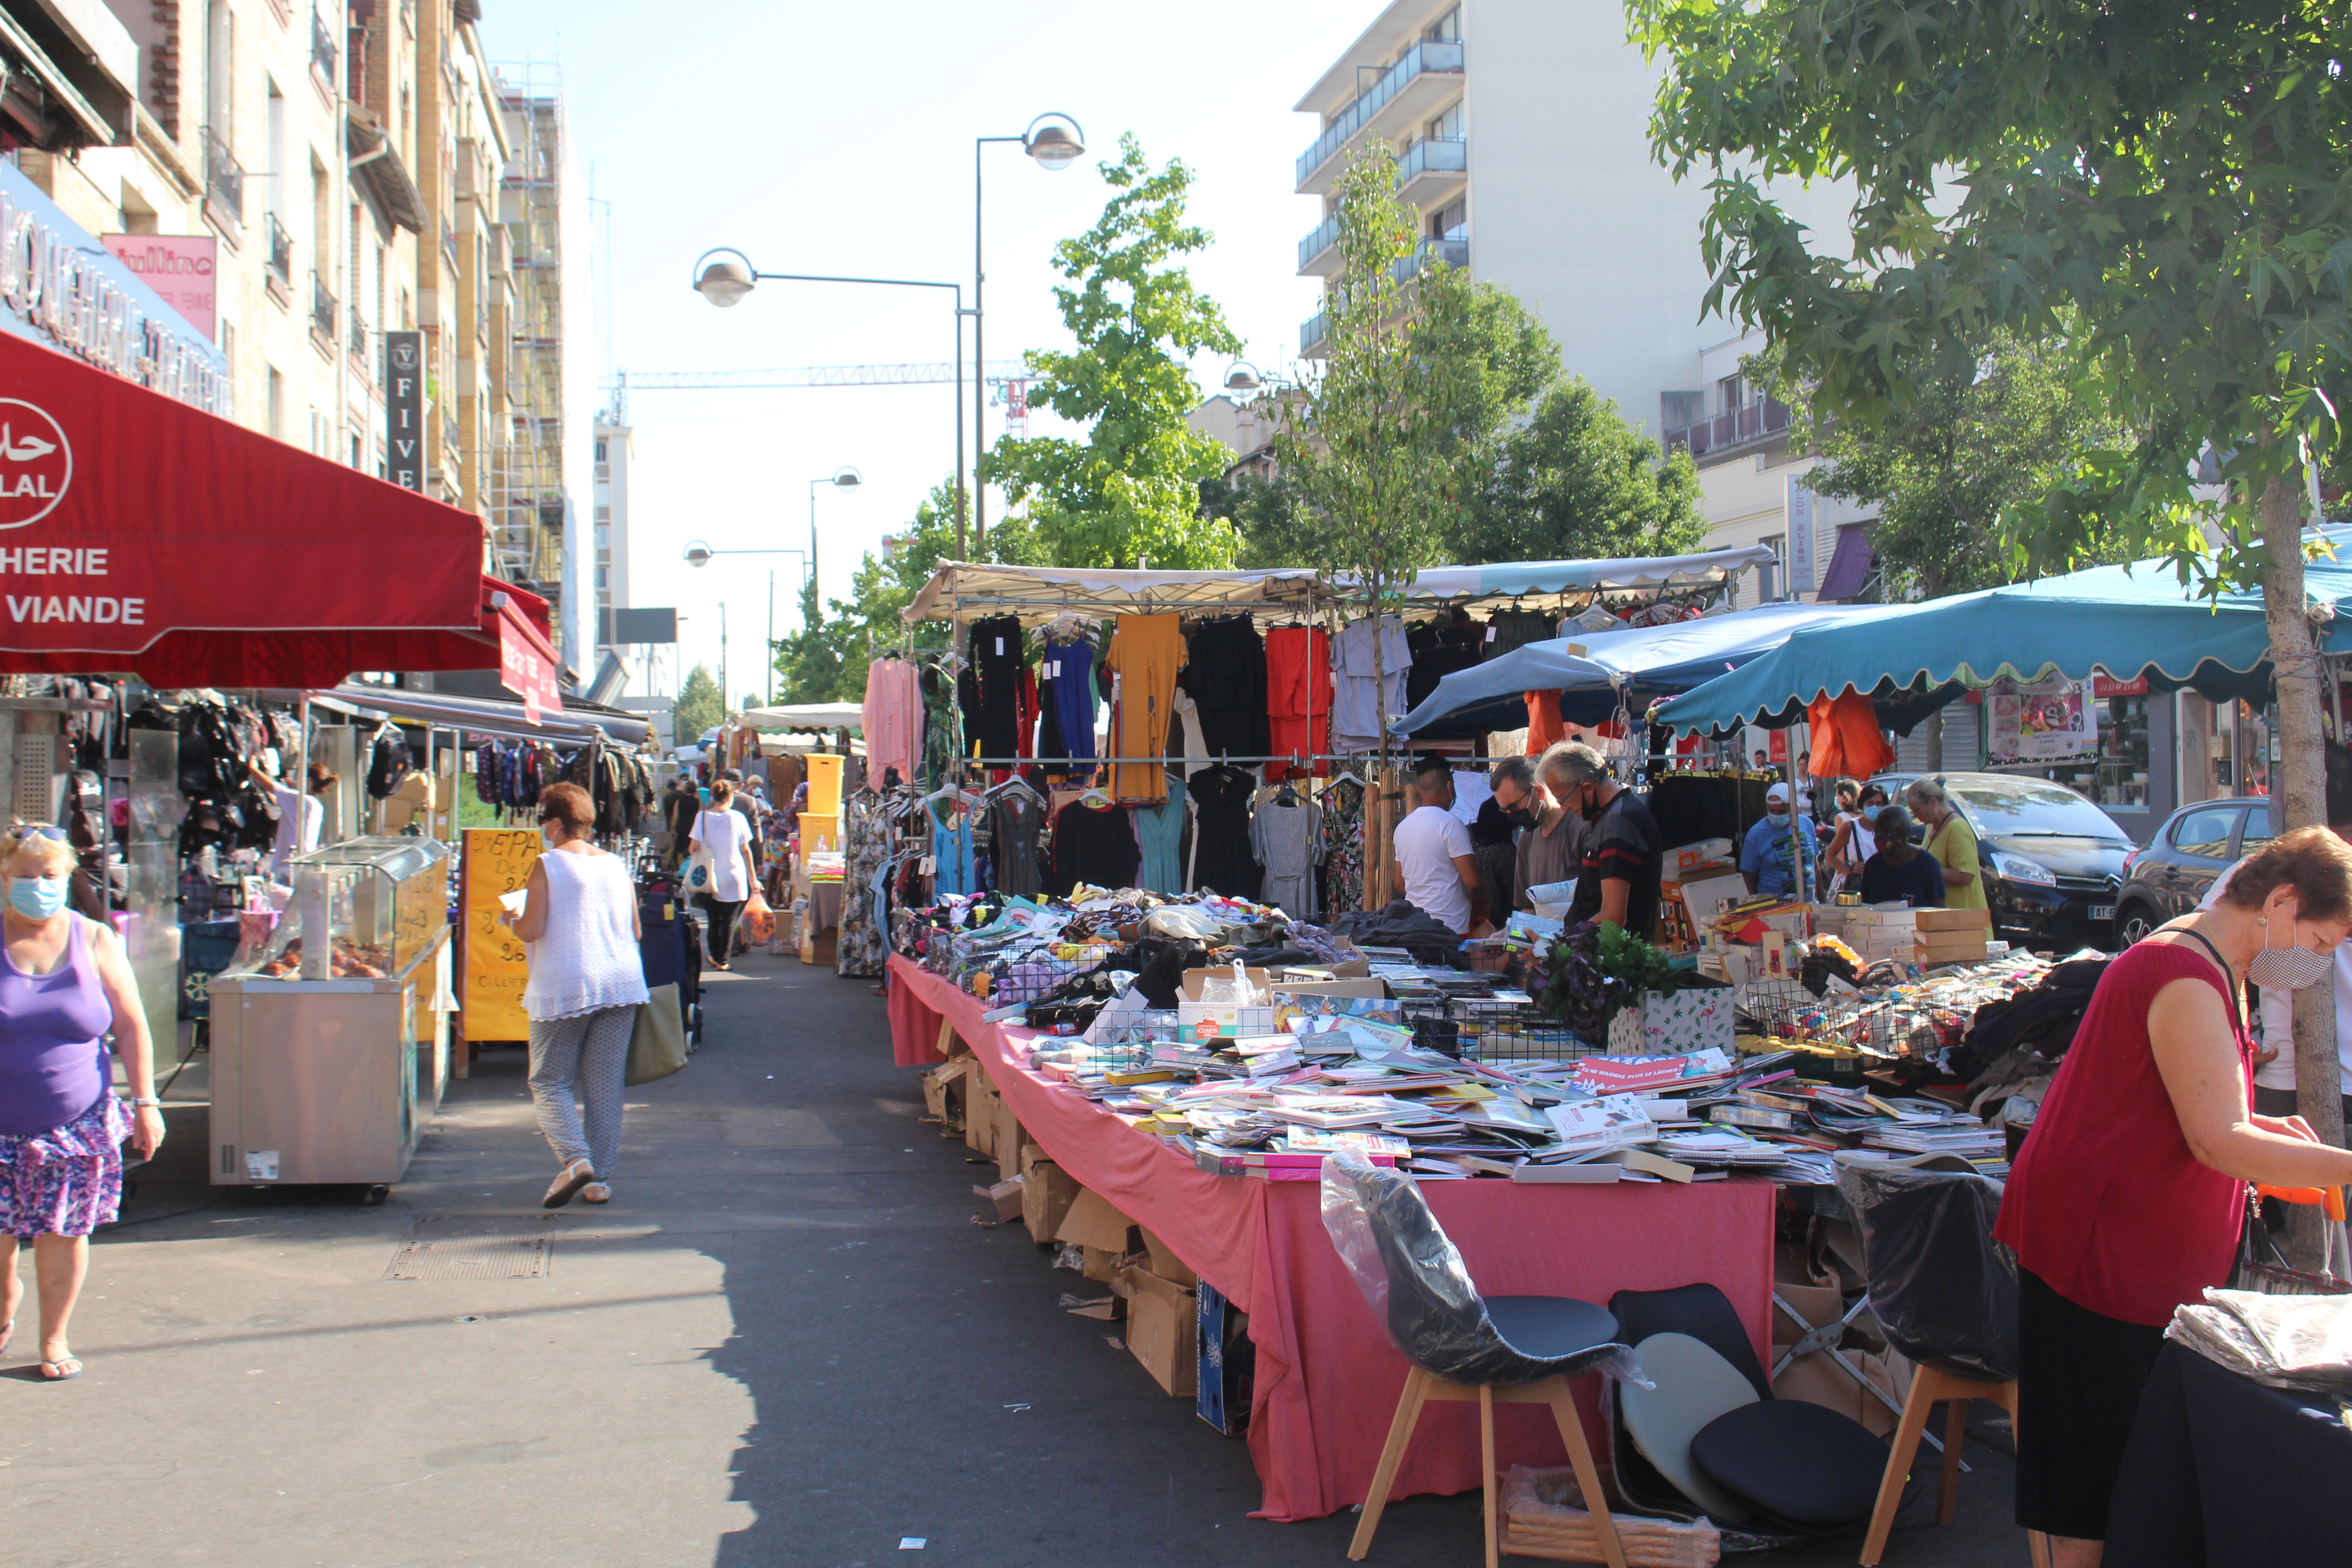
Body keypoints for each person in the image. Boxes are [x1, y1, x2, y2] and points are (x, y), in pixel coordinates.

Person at [1995, 827, 2352, 1566]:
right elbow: (2213, 1138)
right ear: (2280, 902)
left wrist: (2275, 1139)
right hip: (2100, 1257)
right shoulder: (2184, 973)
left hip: (2129, 1253)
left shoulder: (2213, 959)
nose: (2317, 961)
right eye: (2320, 941)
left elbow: (2182, 1101)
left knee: (2118, 1475)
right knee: (2093, 1484)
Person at [0, 824, 164, 1381]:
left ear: (69, 877)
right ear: (4, 878)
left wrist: (147, 1102)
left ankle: (53, 1337)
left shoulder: (94, 938)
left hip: (75, 1124)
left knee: (65, 1234)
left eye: (49, 876)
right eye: (25, 876)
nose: (37, 886)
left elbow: (132, 1024)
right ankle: (3, 1310)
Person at [506, 783, 648, 1210]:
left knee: (549, 1080)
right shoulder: (615, 865)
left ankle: (575, 1159)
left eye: (544, 823)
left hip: (566, 983)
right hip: (622, 981)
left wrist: (511, 917)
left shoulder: (548, 864)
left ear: (555, 823)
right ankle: (599, 1180)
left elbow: (530, 929)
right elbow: (637, 930)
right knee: (605, 1085)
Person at [1548, 742, 1664, 936]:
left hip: (1611, 960)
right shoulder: (1613, 816)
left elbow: (1613, 918)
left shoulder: (1617, 823)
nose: (1563, 808)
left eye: (1562, 799)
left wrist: (1558, 943)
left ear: (1587, 787)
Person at [1391, 759, 1490, 937]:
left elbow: (1399, 883)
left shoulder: (1403, 828)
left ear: (1420, 790)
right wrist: (1483, 906)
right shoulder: (1451, 825)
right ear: (1450, 786)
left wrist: (1426, 900)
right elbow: (1474, 884)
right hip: (1451, 928)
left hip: (1415, 924)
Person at [1493, 752, 1584, 909]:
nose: (1511, 815)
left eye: (1514, 807)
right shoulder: (1527, 838)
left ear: (1539, 792)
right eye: (1505, 810)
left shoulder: (1581, 829)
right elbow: (1528, 908)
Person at [689, 779, 758, 970]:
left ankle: (714, 955)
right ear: (730, 797)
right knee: (728, 920)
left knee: (713, 919)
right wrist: (753, 879)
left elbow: (693, 848)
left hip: (709, 877)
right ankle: (723, 960)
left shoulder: (702, 817)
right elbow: (746, 850)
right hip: (734, 874)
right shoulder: (738, 818)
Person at [1906, 777, 1986, 911]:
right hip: (1943, 914)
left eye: (1917, 810)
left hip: (1964, 916)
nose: (1915, 815)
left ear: (1933, 802)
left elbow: (1966, 876)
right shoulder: (1931, 827)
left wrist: (1924, 870)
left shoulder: (1957, 828)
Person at [247, 754, 324, 877]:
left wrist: (253, 768)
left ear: (309, 781)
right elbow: (277, 797)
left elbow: (270, 786)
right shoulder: (316, 806)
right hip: (299, 866)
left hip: (289, 868)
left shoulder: (303, 801)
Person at [1739, 782, 1818, 898]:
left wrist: (1822, 899)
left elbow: (1815, 865)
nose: (1776, 816)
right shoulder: (1756, 835)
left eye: (1782, 812)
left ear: (1793, 808)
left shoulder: (1807, 824)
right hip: (1774, 907)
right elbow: (1748, 878)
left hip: (1809, 903)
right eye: (1772, 811)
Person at [1857, 805, 1945, 906]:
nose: (1878, 838)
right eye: (1876, 832)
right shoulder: (1873, 865)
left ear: (1901, 832)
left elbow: (1939, 909)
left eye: (1884, 833)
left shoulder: (1928, 864)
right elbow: (1866, 907)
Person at [1827, 783, 1888, 897]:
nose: (1875, 807)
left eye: (1879, 804)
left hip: (1881, 885)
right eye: (1870, 803)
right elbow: (1830, 855)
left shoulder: (1888, 829)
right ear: (1863, 804)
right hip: (1857, 888)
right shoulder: (1850, 827)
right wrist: (1849, 870)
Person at [660, 775, 699, 873]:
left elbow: (675, 817)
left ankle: (678, 870)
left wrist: (672, 830)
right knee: (691, 851)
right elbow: (700, 817)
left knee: (678, 851)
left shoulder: (679, 801)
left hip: (681, 829)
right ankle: (688, 870)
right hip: (693, 830)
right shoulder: (698, 802)